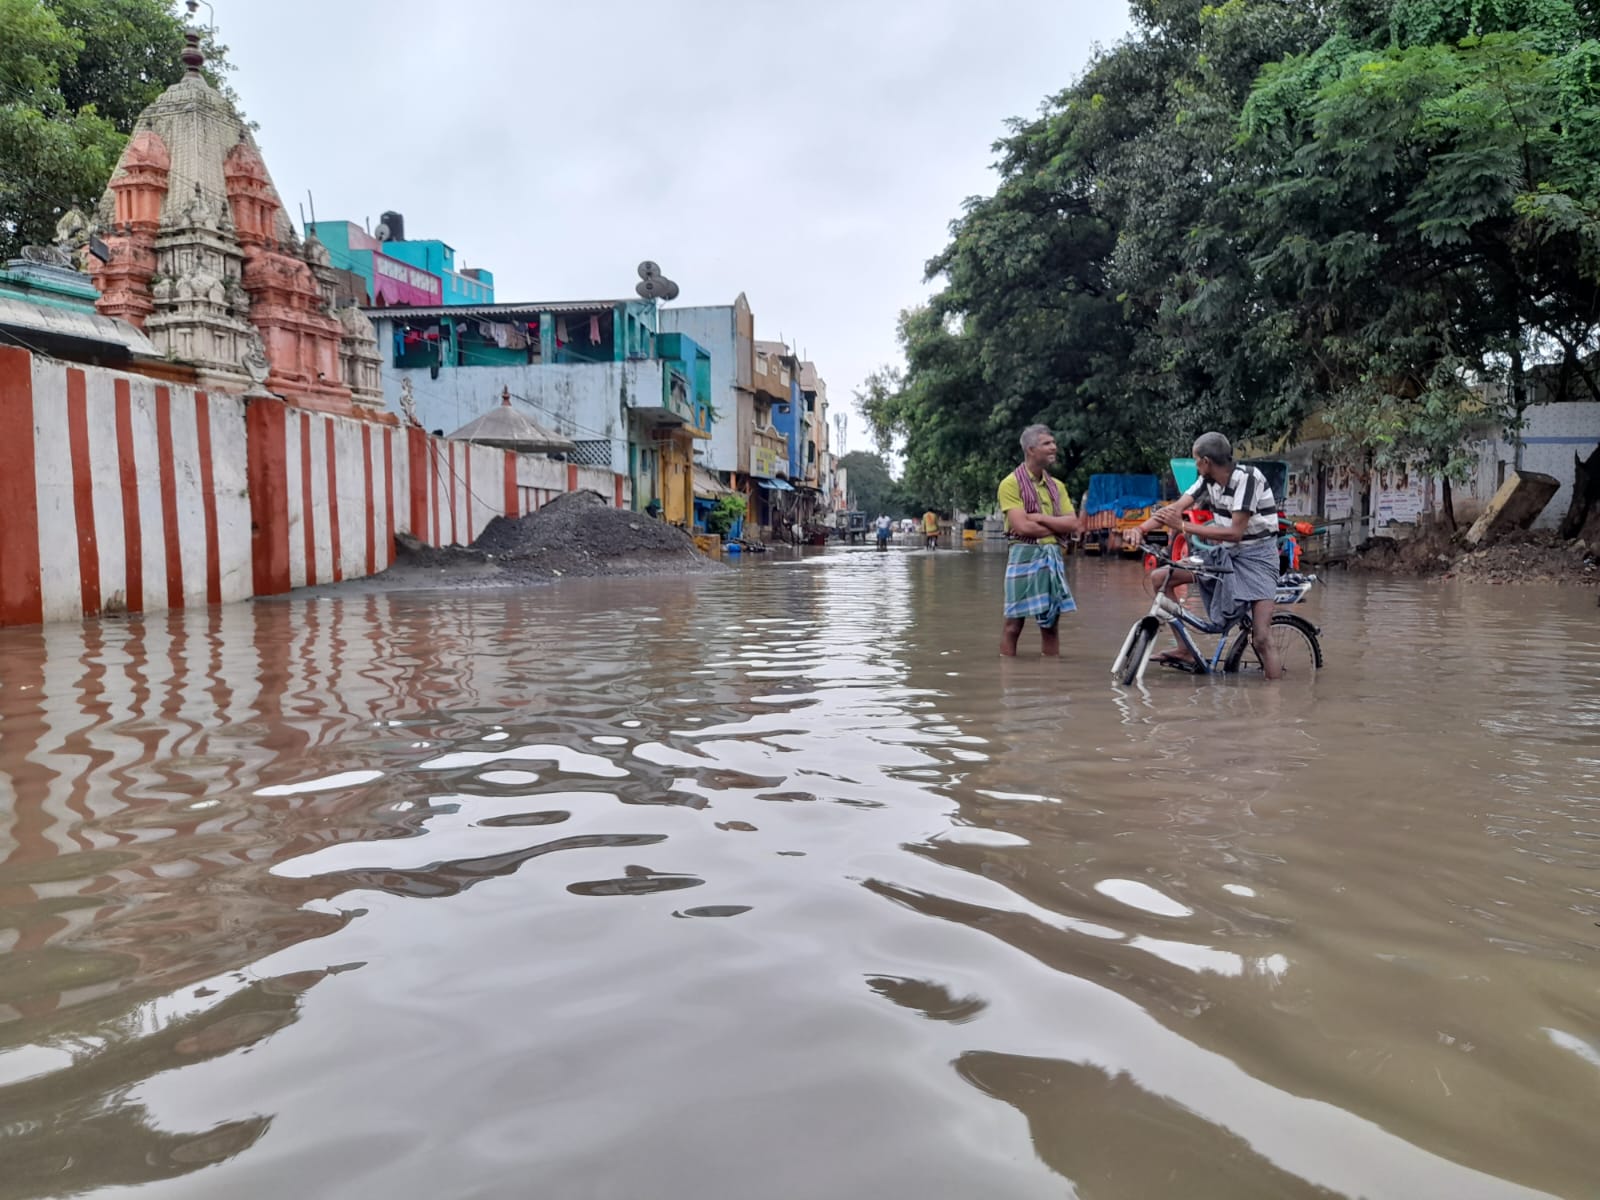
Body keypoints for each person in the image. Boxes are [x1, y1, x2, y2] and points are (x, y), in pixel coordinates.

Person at [1136, 432, 1283, 679]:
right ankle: (1185, 649)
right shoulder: (1208, 481)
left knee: (1261, 637)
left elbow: (1235, 532)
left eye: (1195, 461)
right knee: (1161, 577)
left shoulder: (1248, 479)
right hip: (1224, 554)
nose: (1195, 466)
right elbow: (1175, 509)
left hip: (1259, 558)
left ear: (1205, 461)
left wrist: (1183, 527)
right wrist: (1140, 529)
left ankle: (1273, 704)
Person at [999, 424, 1081, 657]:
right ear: (1031, 449)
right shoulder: (1010, 484)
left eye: (1053, 443)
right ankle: (1008, 677)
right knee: (1013, 625)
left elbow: (1072, 524)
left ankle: (1051, 682)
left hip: (1052, 556)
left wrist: (1040, 518)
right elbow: (1022, 527)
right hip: (1023, 554)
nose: (1054, 447)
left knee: (1050, 626)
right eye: (1047, 443)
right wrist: (1055, 527)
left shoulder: (1058, 486)